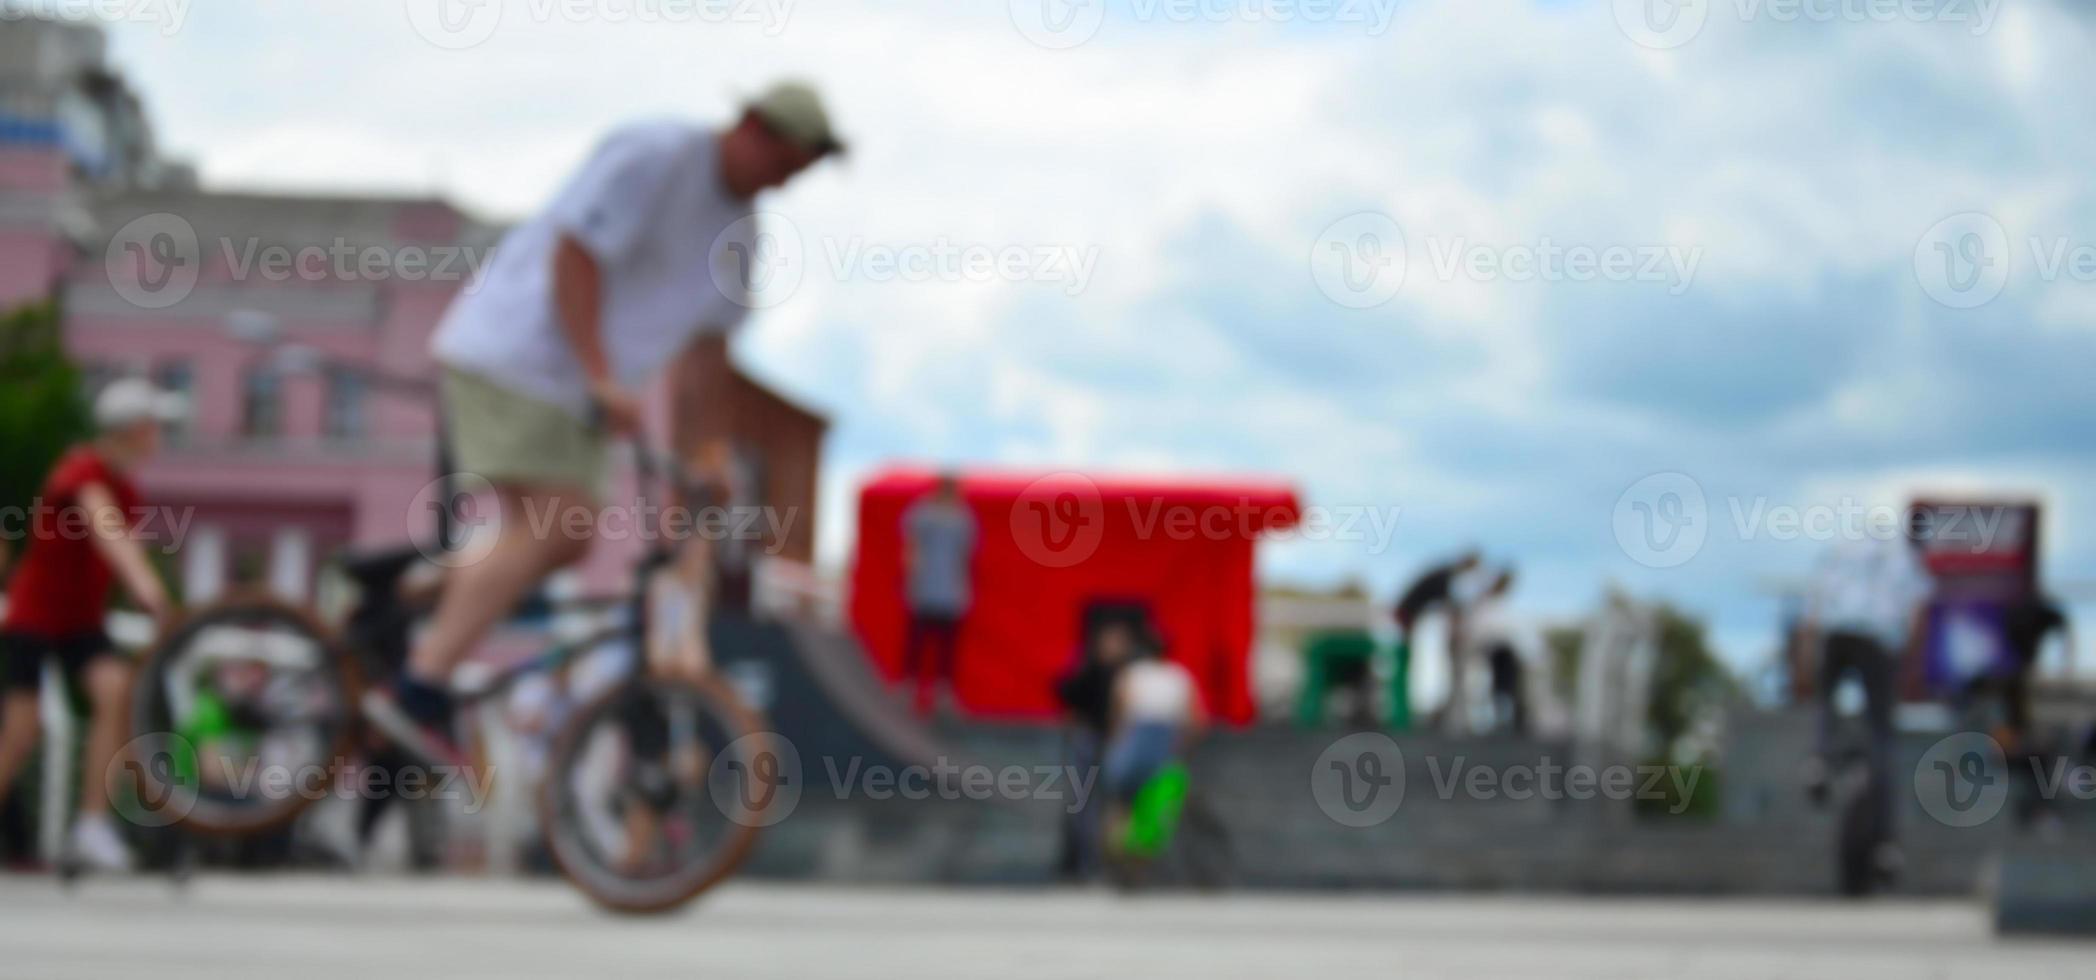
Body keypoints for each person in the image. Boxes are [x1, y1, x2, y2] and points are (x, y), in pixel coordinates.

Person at [365, 81, 845, 761]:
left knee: (563, 537)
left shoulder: (741, 236)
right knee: (562, 521)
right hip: (516, 355)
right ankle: (419, 688)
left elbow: (708, 356)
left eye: (795, 174)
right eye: (783, 163)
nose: (782, 182)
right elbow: (575, 254)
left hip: (582, 395)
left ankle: (414, 587)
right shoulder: (656, 152)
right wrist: (598, 372)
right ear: (751, 127)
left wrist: (705, 453)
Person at [0, 378, 183, 872]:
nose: (159, 436)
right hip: (35, 615)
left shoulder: (126, 486)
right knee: (20, 731)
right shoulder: (81, 471)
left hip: (81, 620)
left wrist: (139, 588)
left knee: (115, 690)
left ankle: (92, 826)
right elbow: (108, 532)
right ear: (134, 430)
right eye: (153, 426)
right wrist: (148, 589)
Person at [1798, 512, 1935, 878]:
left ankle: (1820, 760)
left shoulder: (1845, 549)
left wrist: (1809, 656)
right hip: (1877, 641)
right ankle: (1887, 846)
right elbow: (1918, 614)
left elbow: (1813, 608)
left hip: (1836, 635)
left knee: (1826, 702)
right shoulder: (1908, 558)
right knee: (1883, 737)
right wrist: (1910, 667)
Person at [1053, 616, 1144, 879]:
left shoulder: (1128, 674)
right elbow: (1069, 696)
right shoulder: (1089, 669)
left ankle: (1115, 862)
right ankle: (1084, 862)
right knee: (1083, 804)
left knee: (1115, 804)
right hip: (1088, 739)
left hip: (1116, 742)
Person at [1102, 636, 1206, 853]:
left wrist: (1116, 743)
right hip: (1165, 742)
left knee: (1122, 801)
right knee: (1154, 804)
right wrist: (1180, 749)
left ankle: (1117, 849)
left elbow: (1119, 712)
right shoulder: (1179, 676)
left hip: (1137, 739)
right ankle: (1140, 853)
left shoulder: (1133, 673)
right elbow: (1196, 720)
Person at [901, 473, 976, 715]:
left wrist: (964, 589)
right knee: (917, 639)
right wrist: (911, 579)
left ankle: (944, 691)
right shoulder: (924, 513)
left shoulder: (962, 518)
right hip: (926, 587)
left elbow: (965, 556)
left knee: (947, 645)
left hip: (950, 592)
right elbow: (912, 546)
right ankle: (909, 684)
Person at [1392, 551, 1483, 729]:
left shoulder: (1443, 574)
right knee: (1405, 662)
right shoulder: (1445, 576)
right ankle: (1402, 711)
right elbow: (1450, 605)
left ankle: (1405, 710)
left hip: (1409, 615)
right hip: (1405, 615)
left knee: (1408, 662)